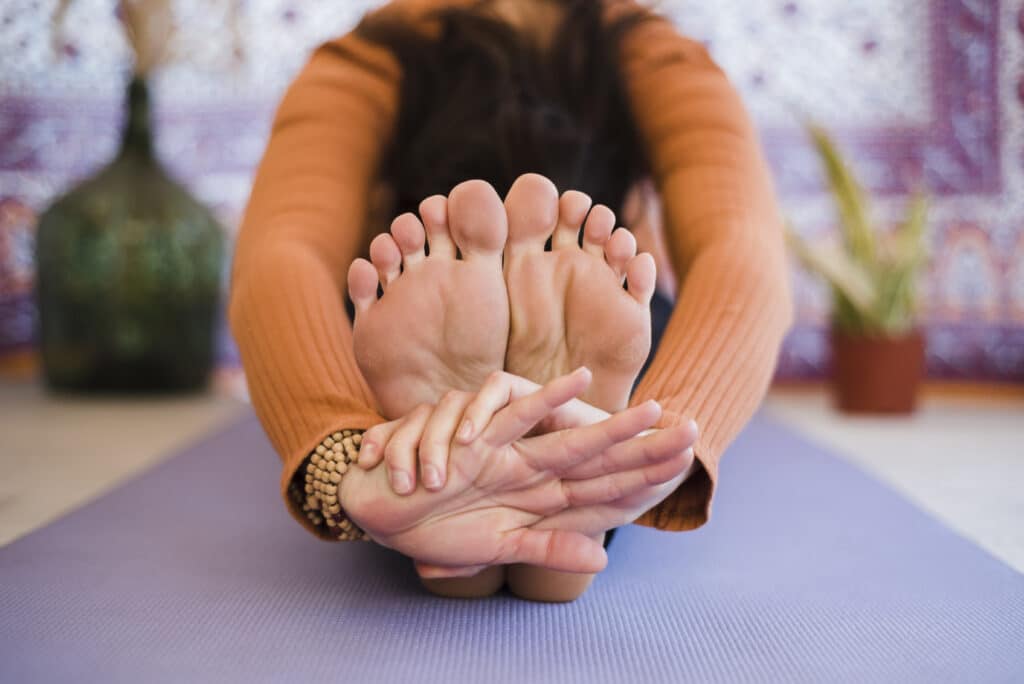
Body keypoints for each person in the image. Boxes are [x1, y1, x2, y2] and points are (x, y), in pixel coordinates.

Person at [229, 0, 792, 602]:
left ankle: (435, 460)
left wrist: (344, 451)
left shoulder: (368, 52)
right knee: (630, 310)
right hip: (545, 312)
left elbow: (284, 253)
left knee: (382, 314)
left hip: (416, 305)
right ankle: (574, 470)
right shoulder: (655, 50)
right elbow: (742, 250)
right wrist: (659, 437)